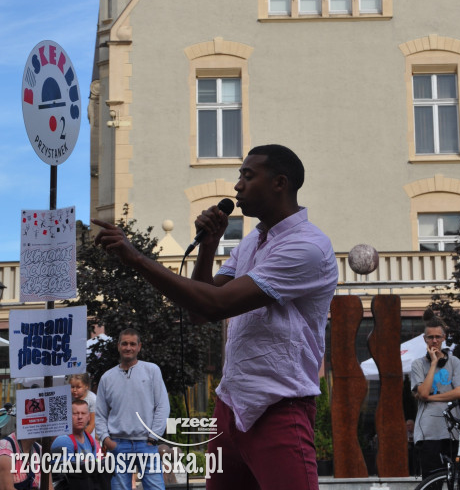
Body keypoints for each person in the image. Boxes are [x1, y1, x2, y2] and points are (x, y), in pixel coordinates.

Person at [93, 144, 339, 490]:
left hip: (279, 409)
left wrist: (137, 258)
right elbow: (198, 311)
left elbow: (216, 304)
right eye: (240, 175)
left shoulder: (307, 247)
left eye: (248, 176)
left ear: (280, 183)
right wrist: (208, 246)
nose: (237, 185)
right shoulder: (253, 240)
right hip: (230, 408)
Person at [95, 328, 169, 490]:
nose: (128, 347)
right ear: (118, 346)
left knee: (156, 487)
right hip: (118, 444)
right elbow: (100, 414)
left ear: (139, 347)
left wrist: (153, 437)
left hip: (146, 444)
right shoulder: (107, 378)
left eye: (132, 344)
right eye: (125, 343)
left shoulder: (152, 371)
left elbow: (163, 406)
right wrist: (106, 440)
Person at [410, 314, 460, 478]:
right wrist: (434, 362)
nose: (434, 341)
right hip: (428, 430)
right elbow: (423, 392)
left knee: (458, 478)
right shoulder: (418, 364)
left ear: (444, 338)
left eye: (437, 337)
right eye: (430, 337)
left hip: (453, 429)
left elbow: (459, 392)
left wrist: (429, 398)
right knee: (431, 478)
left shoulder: (454, 362)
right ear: (424, 339)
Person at [51, 399, 110, 490]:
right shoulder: (63, 440)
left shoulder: (91, 441)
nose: (79, 417)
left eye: (83, 413)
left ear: (89, 417)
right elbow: (69, 475)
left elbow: (98, 468)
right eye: (75, 413)